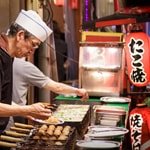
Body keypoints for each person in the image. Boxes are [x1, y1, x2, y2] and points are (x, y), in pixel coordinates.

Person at [0, 9, 54, 138]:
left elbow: (3, 100)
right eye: (33, 45)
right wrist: (28, 109)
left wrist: (26, 112)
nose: (32, 52)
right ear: (20, 35)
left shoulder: (8, 56)